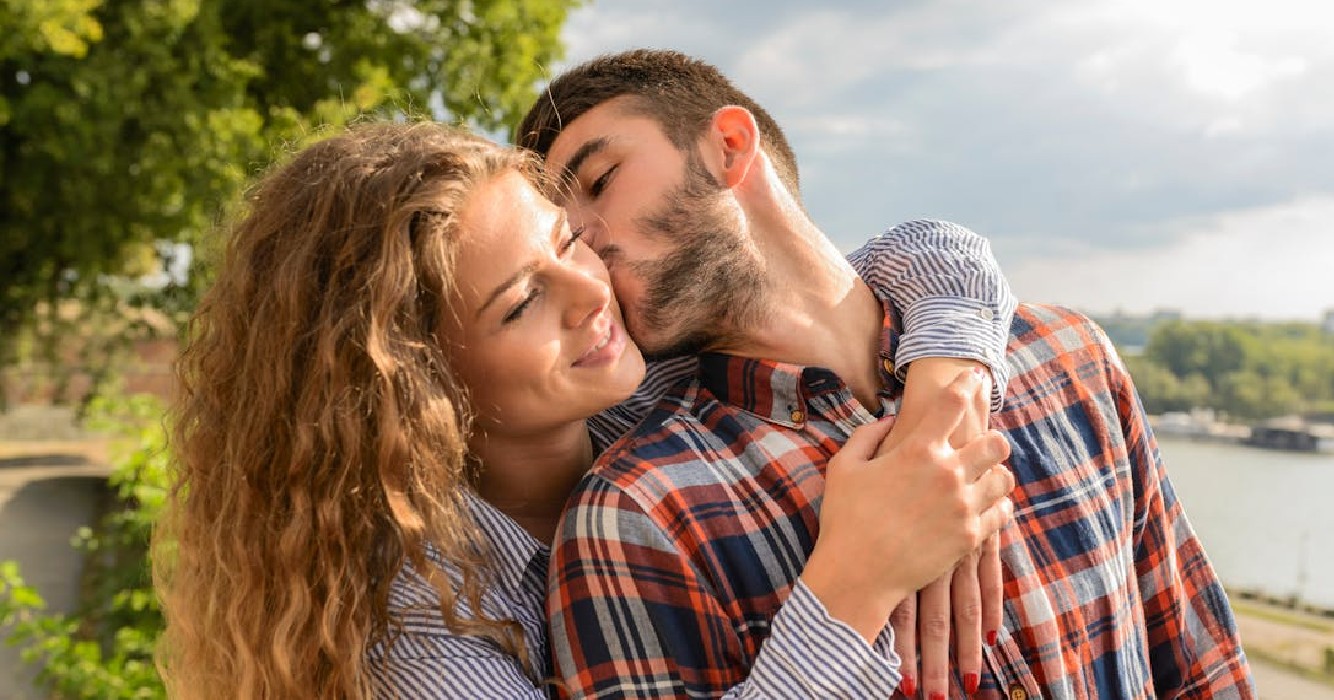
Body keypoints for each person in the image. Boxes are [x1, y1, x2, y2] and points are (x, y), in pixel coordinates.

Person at [153, 120, 1019, 699]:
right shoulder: (413, 640)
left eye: (568, 242)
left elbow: (921, 255)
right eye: (521, 303)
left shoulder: (647, 385)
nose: (593, 292)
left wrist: (947, 398)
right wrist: (854, 585)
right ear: (410, 387)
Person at [517, 49, 1257, 699]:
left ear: (730, 147)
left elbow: (1200, 666)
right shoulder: (635, 516)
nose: (579, 239)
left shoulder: (1070, 359)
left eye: (600, 180)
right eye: (558, 230)